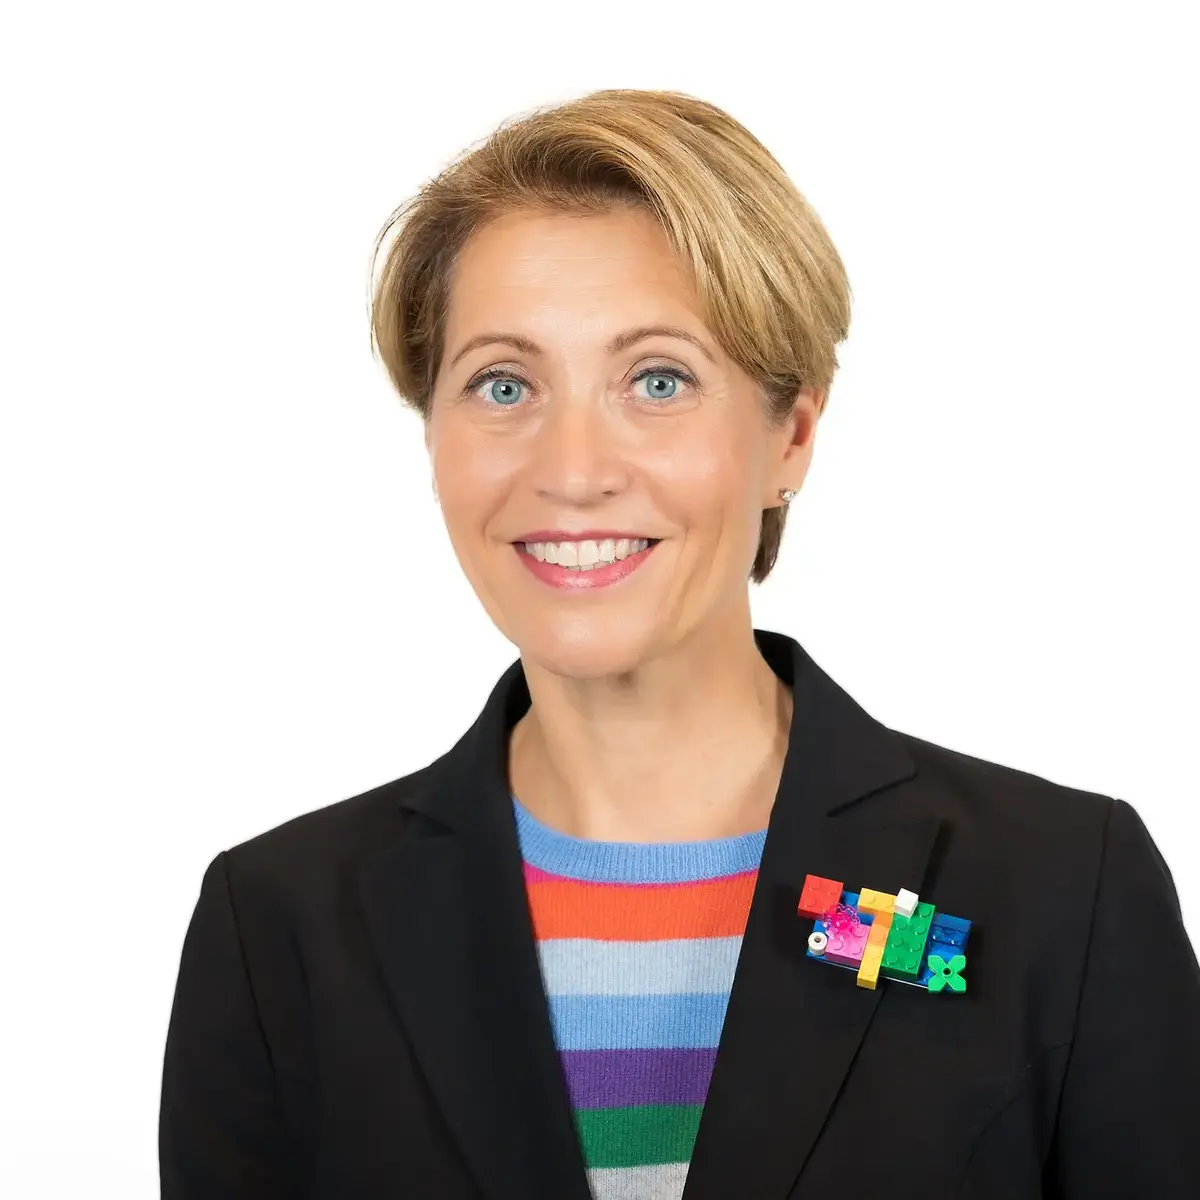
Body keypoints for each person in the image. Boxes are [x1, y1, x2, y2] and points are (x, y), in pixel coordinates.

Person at [158, 88, 1200, 1199]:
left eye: (658, 381)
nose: (572, 469)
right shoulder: (278, 933)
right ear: (433, 438)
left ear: (792, 435)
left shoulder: (1059, 895)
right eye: (503, 385)